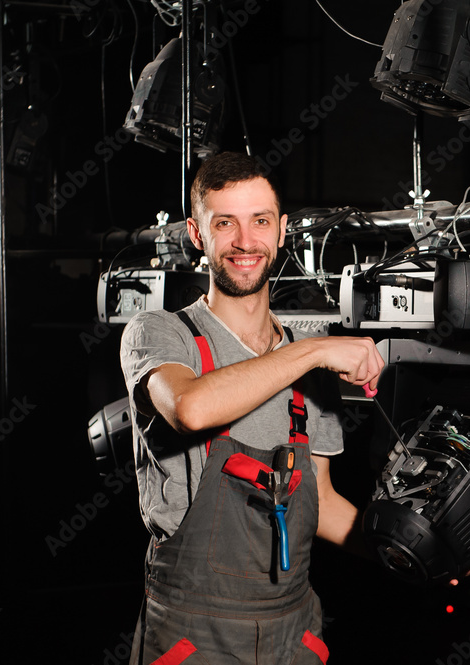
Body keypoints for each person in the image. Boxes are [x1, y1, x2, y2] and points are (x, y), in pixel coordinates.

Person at [119, 151, 385, 665]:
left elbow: (323, 504)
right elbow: (191, 410)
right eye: (225, 223)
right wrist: (311, 349)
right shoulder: (160, 334)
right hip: (194, 632)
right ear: (198, 235)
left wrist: (409, 552)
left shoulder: (313, 361)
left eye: (260, 221)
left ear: (282, 230)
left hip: (293, 629)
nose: (245, 242)